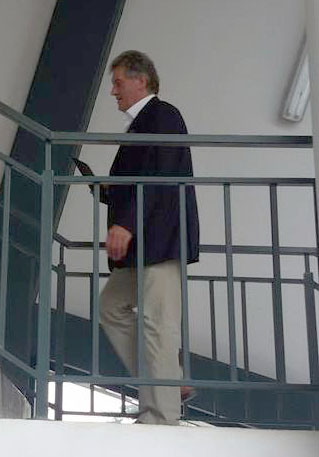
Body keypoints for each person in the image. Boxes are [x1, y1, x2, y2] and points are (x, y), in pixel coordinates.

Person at [99, 50, 200, 425]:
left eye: (118, 82)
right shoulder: (142, 123)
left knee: (159, 324)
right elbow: (143, 178)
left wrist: (125, 223)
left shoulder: (163, 115)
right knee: (111, 307)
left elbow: (160, 176)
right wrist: (108, 191)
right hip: (141, 243)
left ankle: (161, 416)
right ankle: (170, 382)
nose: (114, 91)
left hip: (159, 239)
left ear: (141, 80)